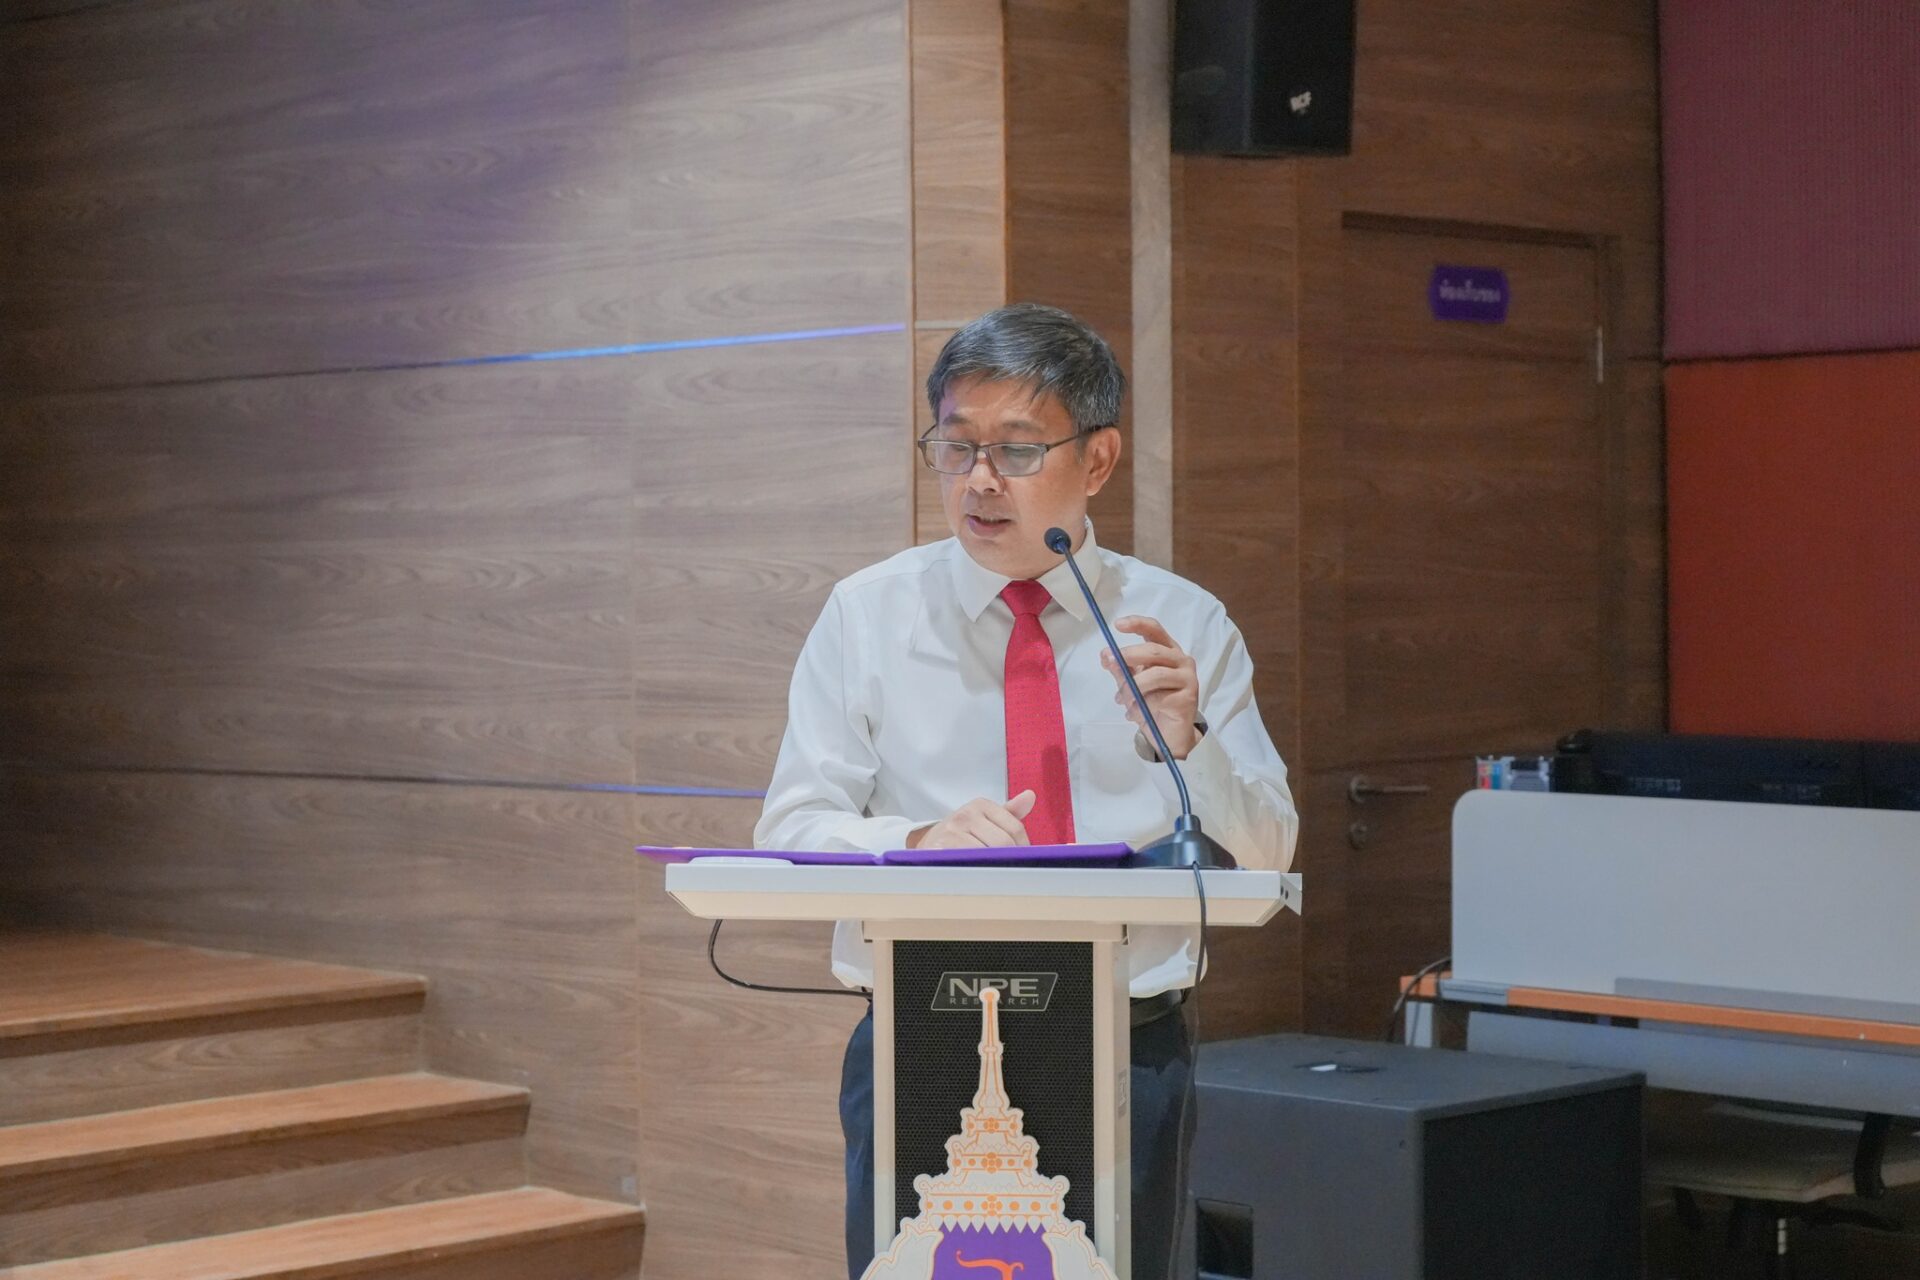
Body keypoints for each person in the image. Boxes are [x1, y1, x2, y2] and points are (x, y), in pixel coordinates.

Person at [753, 302, 1298, 1280]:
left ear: (1097, 460)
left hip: (1127, 1045)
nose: (979, 480)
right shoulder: (868, 615)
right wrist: (915, 842)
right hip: (919, 1039)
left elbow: (1268, 852)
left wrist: (1191, 747)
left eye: (1015, 449)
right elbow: (792, 824)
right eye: (955, 445)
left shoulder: (1181, 623)